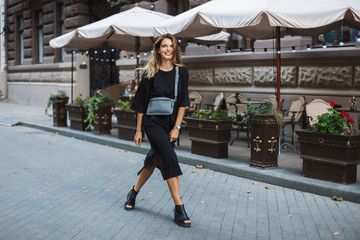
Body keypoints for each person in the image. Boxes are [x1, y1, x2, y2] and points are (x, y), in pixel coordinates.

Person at [124, 34, 191, 228]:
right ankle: (179, 208)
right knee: (169, 157)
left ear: (174, 50)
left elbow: (183, 102)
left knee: (154, 160)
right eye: (164, 46)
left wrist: (177, 127)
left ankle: (133, 192)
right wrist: (138, 130)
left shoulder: (182, 72)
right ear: (158, 50)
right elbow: (141, 104)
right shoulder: (150, 72)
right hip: (152, 123)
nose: (168, 49)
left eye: (171, 46)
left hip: (171, 124)